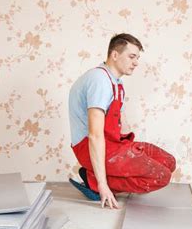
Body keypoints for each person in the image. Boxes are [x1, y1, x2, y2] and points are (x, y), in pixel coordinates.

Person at [68, 33, 176, 209]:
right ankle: (94, 182)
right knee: (161, 176)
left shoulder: (116, 82)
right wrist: (103, 186)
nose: (136, 62)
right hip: (90, 146)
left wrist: (134, 154)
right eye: (132, 57)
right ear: (115, 55)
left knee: (169, 162)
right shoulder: (99, 80)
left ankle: (95, 177)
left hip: (113, 144)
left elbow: (122, 126)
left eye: (137, 58)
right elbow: (95, 135)